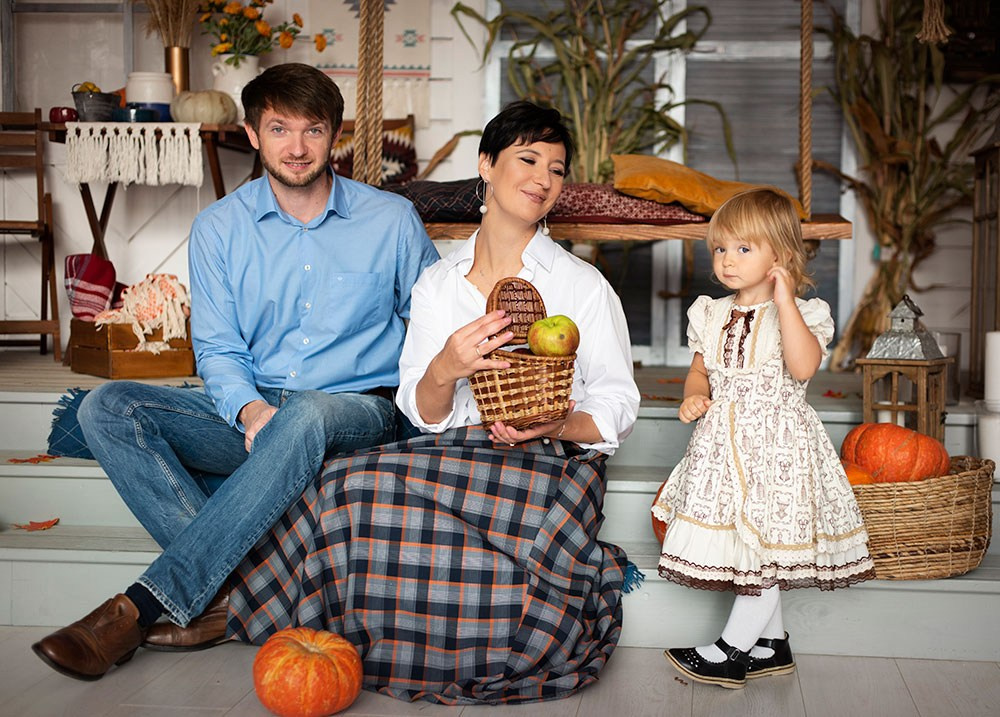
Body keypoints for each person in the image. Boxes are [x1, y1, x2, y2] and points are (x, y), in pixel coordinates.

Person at [223, 100, 642, 704]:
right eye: (528, 160)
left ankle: (243, 606)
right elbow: (422, 412)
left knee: (351, 483)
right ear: (487, 166)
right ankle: (304, 630)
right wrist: (447, 366)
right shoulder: (438, 283)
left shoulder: (579, 285)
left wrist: (555, 421)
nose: (543, 179)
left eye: (556, 168)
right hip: (452, 454)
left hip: (549, 464)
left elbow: (617, 403)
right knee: (338, 481)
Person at [31, 63, 439, 681]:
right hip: (262, 411)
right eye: (279, 129)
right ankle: (232, 597)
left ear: (335, 136)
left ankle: (139, 606)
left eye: (313, 130)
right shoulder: (219, 228)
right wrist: (250, 411)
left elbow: (433, 327)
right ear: (252, 134)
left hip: (360, 408)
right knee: (105, 407)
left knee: (307, 410)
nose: (297, 147)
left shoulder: (392, 220)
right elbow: (219, 350)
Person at [651, 188, 875, 689]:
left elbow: (803, 367)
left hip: (778, 451)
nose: (727, 260)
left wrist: (784, 298)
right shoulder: (710, 313)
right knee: (749, 545)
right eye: (720, 249)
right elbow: (700, 371)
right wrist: (693, 396)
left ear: (782, 255)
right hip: (723, 448)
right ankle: (772, 646)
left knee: (763, 551)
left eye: (744, 249)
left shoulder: (800, 313)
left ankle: (731, 650)